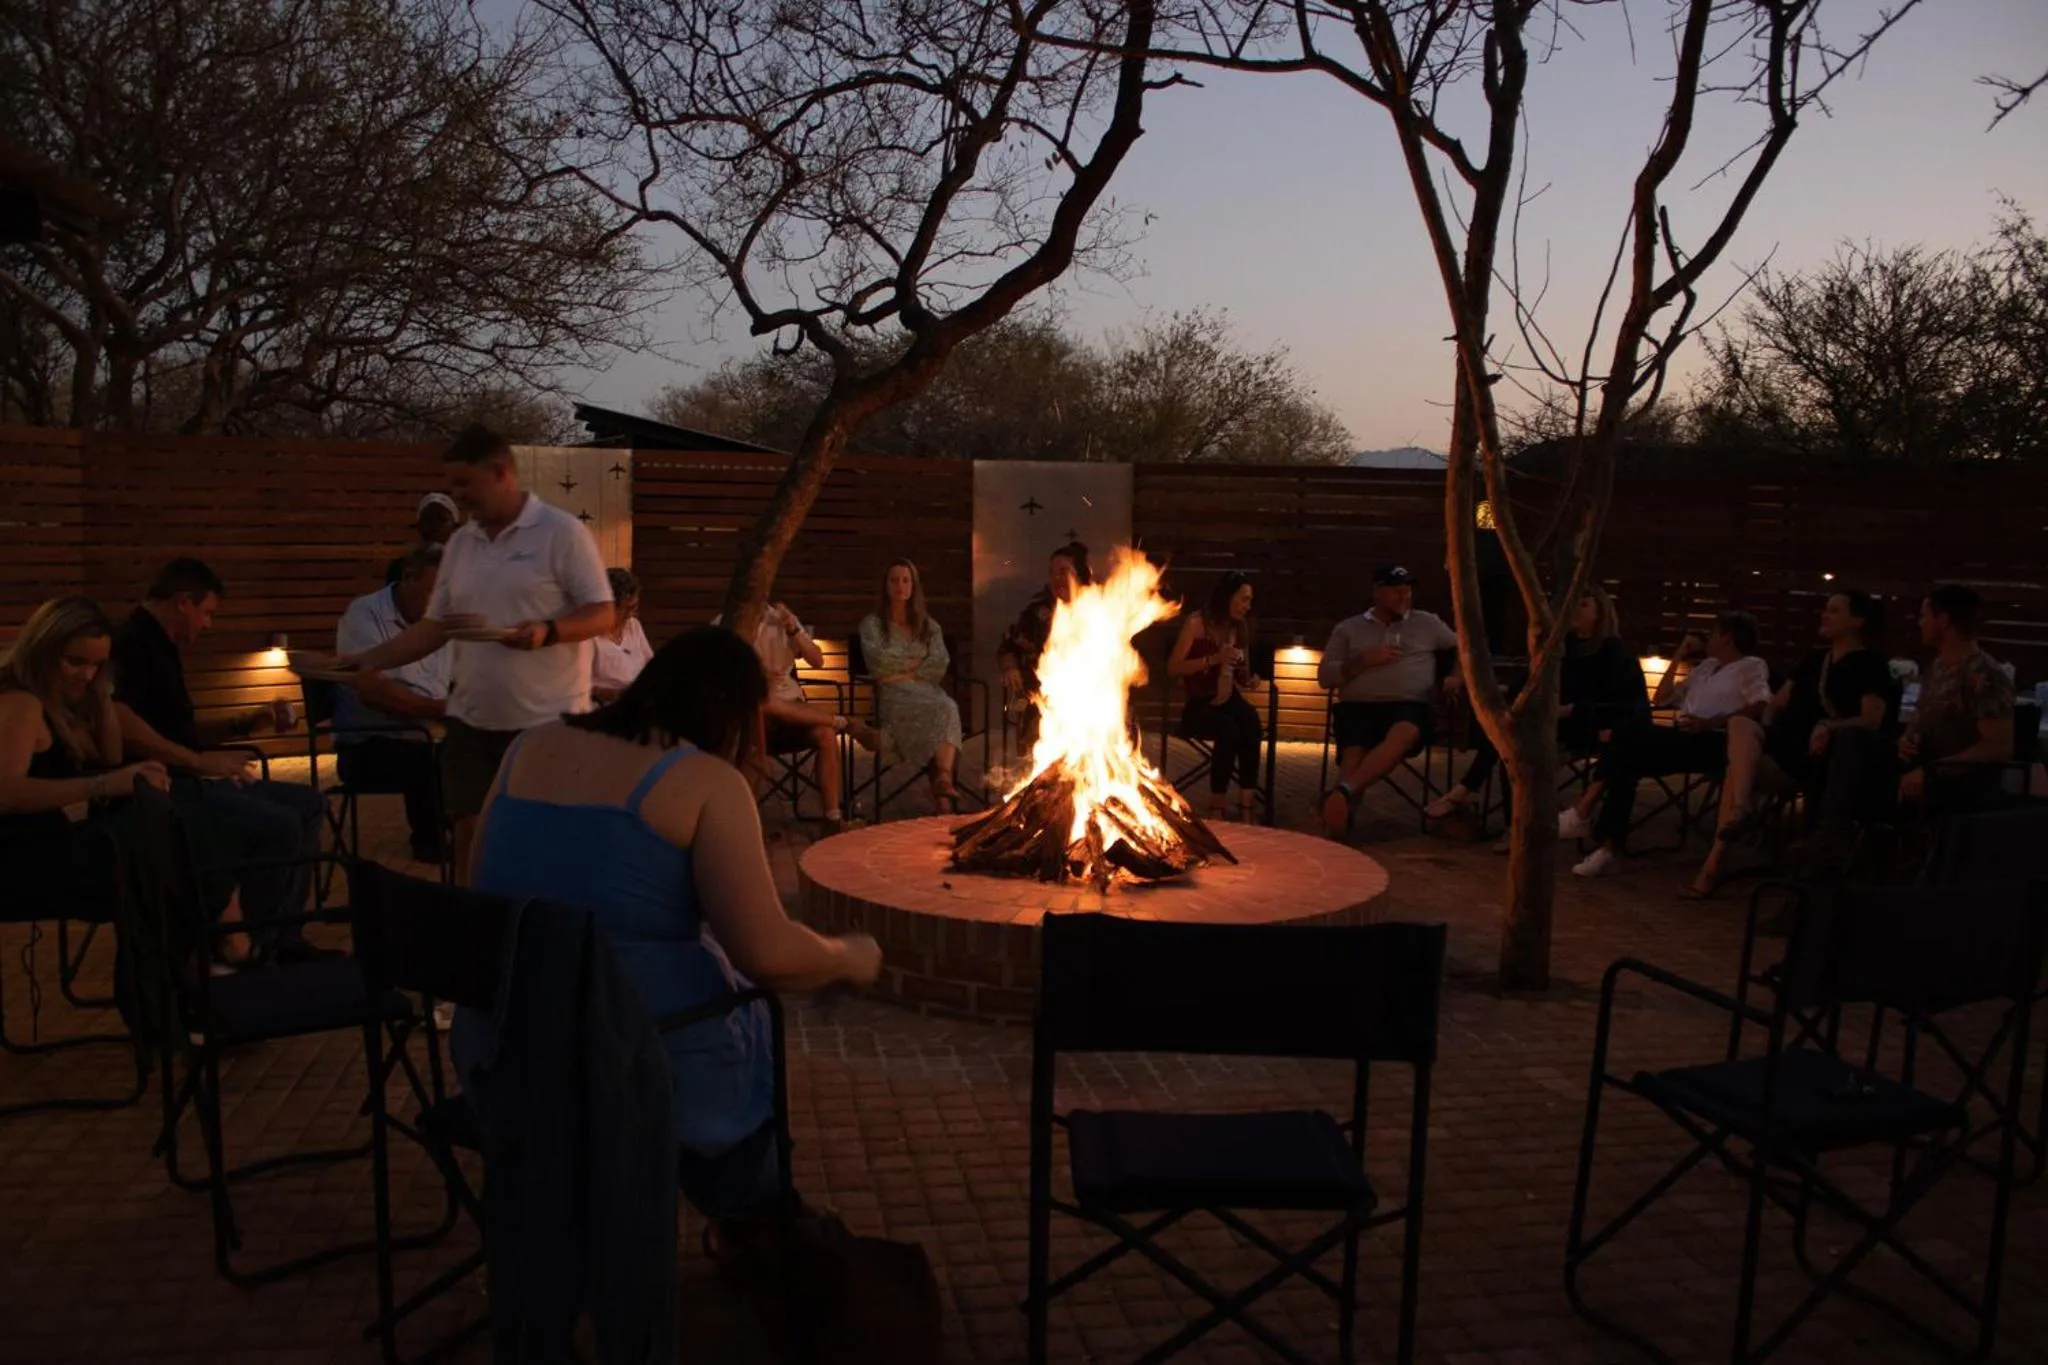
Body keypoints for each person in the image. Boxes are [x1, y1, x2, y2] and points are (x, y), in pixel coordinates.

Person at [451, 626, 882, 1225]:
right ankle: (756, 1213)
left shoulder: (527, 747)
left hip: (506, 1044)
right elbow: (769, 955)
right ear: (732, 713)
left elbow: (482, 888)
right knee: (744, 1010)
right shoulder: (704, 782)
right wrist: (848, 956)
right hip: (628, 1050)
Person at [337, 425, 615, 883]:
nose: (456, 495)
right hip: (471, 717)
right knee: (469, 828)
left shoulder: (560, 533)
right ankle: (474, 923)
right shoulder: (463, 544)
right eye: (452, 483)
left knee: (540, 833)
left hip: (544, 717)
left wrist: (548, 631)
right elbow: (436, 627)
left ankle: (542, 924)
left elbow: (603, 613)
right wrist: (366, 661)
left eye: (464, 483)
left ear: (501, 472)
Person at [113, 558, 327, 961]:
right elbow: (126, 729)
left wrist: (249, 720)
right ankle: (247, 944)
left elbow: (179, 731)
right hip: (161, 790)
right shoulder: (131, 646)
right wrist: (197, 762)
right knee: (279, 825)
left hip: (187, 775)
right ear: (182, 602)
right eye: (207, 612)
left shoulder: (160, 646)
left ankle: (282, 937)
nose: (208, 624)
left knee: (312, 804)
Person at [1687, 589, 1893, 897]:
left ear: (1857, 621)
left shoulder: (1871, 665)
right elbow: (1775, 703)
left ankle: (1714, 864)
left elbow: (1871, 720)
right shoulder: (1814, 660)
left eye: (1834, 611)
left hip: (1828, 757)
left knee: (1736, 772)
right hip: (1788, 746)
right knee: (1741, 726)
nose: (1824, 615)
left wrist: (1829, 725)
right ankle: (1741, 812)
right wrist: (1769, 728)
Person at [1, 598, 172, 922]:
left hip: (52, 843)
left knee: (173, 840)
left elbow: (110, 755)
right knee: (167, 853)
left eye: (97, 665)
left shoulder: (55, 700)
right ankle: (228, 950)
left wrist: (100, 691)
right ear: (43, 651)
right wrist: (102, 785)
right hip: (22, 860)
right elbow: (5, 792)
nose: (86, 674)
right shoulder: (20, 702)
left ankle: (220, 953)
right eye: (76, 661)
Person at [1565, 610, 1771, 879]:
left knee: (1627, 738)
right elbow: (1662, 698)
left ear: (1727, 638)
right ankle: (1607, 849)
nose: (1706, 638)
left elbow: (1761, 705)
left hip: (1716, 740)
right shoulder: (1705, 667)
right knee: (1626, 760)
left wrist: (1712, 723)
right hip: (1681, 736)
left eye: (1712, 633)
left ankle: (1583, 814)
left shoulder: (1752, 666)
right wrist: (1678, 655)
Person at [1424, 585, 1646, 829]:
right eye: (1572, 604)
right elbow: (1529, 681)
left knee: (1515, 749)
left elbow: (1611, 699)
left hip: (1585, 727)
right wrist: (1494, 690)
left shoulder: (1612, 651)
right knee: (1505, 733)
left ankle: (1470, 794)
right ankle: (1509, 824)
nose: (1574, 610)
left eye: (1583, 605)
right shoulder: (1562, 645)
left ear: (1600, 613)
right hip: (1549, 722)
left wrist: (1567, 710)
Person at [1317, 564, 1462, 838]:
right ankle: (1339, 824)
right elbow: (1325, 677)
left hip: (1408, 706)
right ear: (1377, 593)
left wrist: (1456, 675)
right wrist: (1363, 661)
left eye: (1407, 590)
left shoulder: (1427, 623)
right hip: (1357, 707)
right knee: (1353, 754)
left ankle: (1342, 793)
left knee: (1404, 729)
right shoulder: (1349, 629)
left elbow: (1466, 649)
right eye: (1396, 591)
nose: (1404, 597)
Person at [334, 544, 452, 863]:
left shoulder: (441, 623)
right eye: (434, 591)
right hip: (369, 746)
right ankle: (432, 844)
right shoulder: (364, 615)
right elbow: (374, 692)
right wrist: (440, 710)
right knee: (433, 757)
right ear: (409, 578)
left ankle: (474, 834)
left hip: (428, 733)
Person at [718, 599, 880, 830]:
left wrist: (793, 627)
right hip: (754, 714)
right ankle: (844, 722)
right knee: (763, 701)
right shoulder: (727, 624)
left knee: (824, 734)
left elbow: (817, 660)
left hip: (792, 707)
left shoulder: (779, 620)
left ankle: (832, 820)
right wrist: (751, 676)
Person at [1897, 584, 2015, 817]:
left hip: (1961, 786)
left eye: (1925, 616)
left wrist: (1933, 771)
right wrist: (1905, 740)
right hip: (1927, 768)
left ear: (1944, 620)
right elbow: (1921, 716)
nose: (1920, 623)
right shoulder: (1938, 667)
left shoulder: (1984, 676)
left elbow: (1998, 746)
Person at [858, 559, 963, 813]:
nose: (900, 586)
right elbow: (879, 663)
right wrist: (916, 666)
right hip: (893, 698)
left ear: (914, 586)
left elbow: (939, 662)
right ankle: (943, 799)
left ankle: (943, 780)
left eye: (906, 580)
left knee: (946, 706)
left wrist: (904, 670)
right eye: (894, 580)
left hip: (928, 695)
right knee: (942, 711)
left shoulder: (928, 626)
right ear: (885, 586)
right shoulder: (872, 626)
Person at [1166, 571, 1264, 822]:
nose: (1247, 606)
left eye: (1249, 600)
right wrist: (1213, 659)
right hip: (1200, 702)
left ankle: (1246, 803)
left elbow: (1242, 671)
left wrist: (1249, 680)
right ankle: (1217, 805)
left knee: (1251, 722)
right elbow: (1173, 667)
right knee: (1228, 730)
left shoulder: (1239, 628)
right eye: (1243, 599)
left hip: (1229, 698)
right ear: (1227, 598)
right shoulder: (1196, 624)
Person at [997, 541, 1090, 754]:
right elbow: (1008, 647)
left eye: (1063, 571)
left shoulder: (1098, 609)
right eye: (1052, 573)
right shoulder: (1036, 614)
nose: (1056, 578)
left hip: (1088, 697)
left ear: (1079, 574)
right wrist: (1010, 668)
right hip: (1042, 698)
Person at [592, 568, 654, 703]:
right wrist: (604, 693)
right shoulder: (589, 635)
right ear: (609, 607)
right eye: (626, 608)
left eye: (635, 607)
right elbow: (573, 684)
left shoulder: (633, 626)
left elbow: (651, 666)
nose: (631, 614)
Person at [384, 492, 462, 585]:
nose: (435, 524)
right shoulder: (401, 567)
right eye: (428, 519)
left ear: (455, 527)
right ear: (419, 526)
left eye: (442, 519)